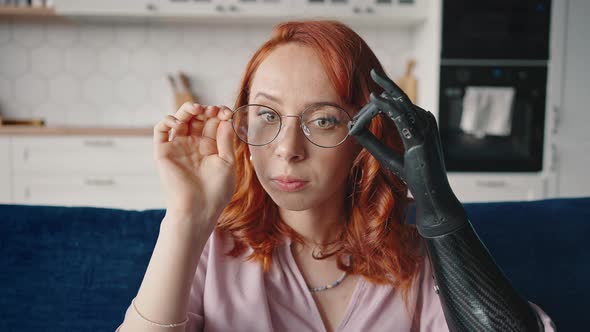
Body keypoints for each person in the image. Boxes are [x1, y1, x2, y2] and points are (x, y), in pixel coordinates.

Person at [116, 20, 555, 332]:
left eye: (323, 120)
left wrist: (438, 205)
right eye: (267, 115)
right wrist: (187, 216)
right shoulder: (208, 248)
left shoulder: (418, 257)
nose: (287, 150)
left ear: (366, 133)